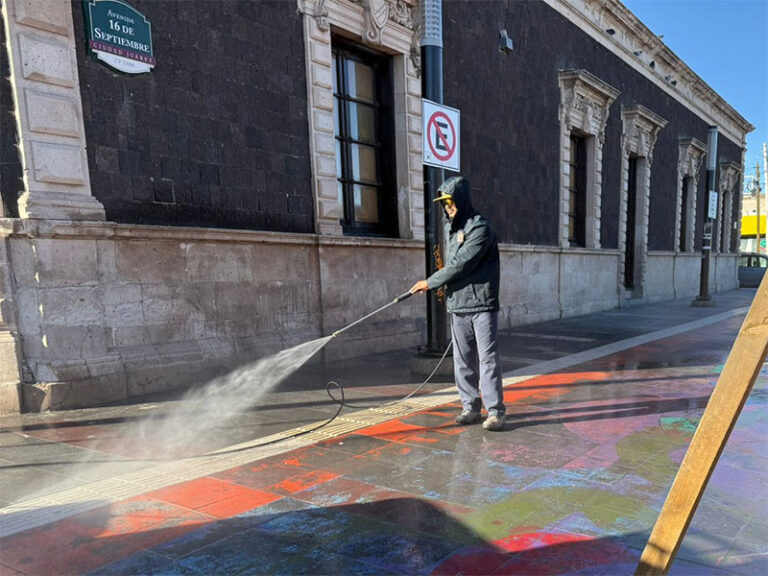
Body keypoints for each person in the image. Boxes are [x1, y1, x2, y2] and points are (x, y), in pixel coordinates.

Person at [410, 176, 506, 431]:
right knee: (462, 360)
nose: (447, 207)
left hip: (482, 305)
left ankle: (495, 412)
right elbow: (450, 263)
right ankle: (470, 407)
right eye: (444, 203)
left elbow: (461, 264)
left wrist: (429, 282)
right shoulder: (451, 228)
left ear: (460, 200)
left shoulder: (480, 228)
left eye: (450, 202)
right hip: (458, 305)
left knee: (487, 360)